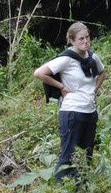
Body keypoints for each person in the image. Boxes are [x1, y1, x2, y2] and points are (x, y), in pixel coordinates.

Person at [33, 22, 105, 180]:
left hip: (90, 112)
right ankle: (60, 191)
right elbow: (39, 73)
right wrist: (61, 87)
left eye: (87, 37)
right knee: (68, 156)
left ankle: (82, 189)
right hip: (72, 113)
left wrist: (94, 90)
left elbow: (102, 73)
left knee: (86, 156)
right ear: (72, 41)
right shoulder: (66, 59)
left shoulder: (93, 57)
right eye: (81, 39)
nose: (85, 41)